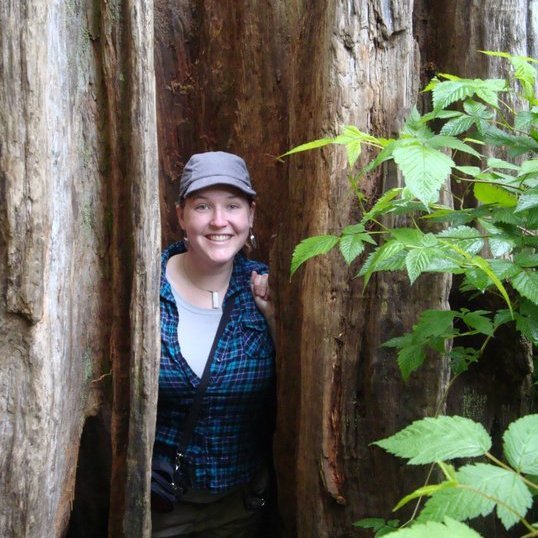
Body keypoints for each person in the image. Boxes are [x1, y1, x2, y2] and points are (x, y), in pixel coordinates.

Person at [152, 151, 276, 538]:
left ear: (251, 215)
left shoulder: (268, 289)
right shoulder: (146, 289)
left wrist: (275, 318)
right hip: (161, 509)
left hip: (241, 508)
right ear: (181, 215)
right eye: (203, 206)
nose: (219, 221)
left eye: (233, 206)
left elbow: (298, 387)